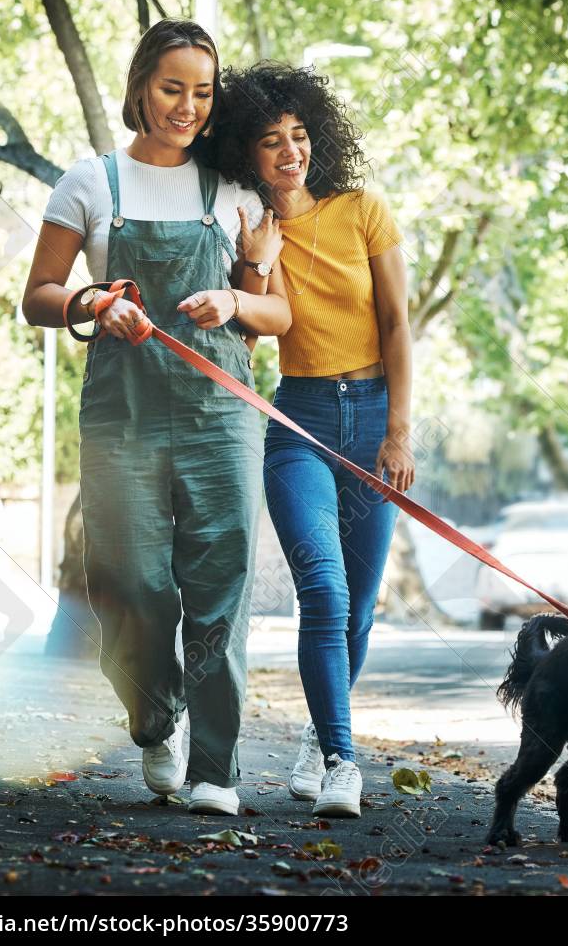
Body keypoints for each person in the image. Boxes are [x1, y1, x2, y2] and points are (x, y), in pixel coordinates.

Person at [20, 20, 290, 816]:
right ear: (140, 85)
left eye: (202, 93)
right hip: (122, 415)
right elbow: (37, 294)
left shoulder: (236, 187)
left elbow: (276, 312)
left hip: (219, 416)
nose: (187, 107)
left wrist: (237, 297)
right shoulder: (90, 182)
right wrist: (93, 300)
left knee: (220, 589)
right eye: (173, 88)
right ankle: (154, 715)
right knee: (129, 581)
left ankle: (216, 767)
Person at [214, 62, 414, 818]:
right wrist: (255, 262)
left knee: (358, 609)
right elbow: (265, 329)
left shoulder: (364, 208)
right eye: (271, 141)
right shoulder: (256, 228)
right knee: (323, 594)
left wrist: (398, 431)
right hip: (299, 421)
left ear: (316, 140)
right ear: (249, 154)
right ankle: (342, 760)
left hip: (373, 419)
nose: (289, 151)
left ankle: (316, 738)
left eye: (299, 135)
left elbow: (397, 323)